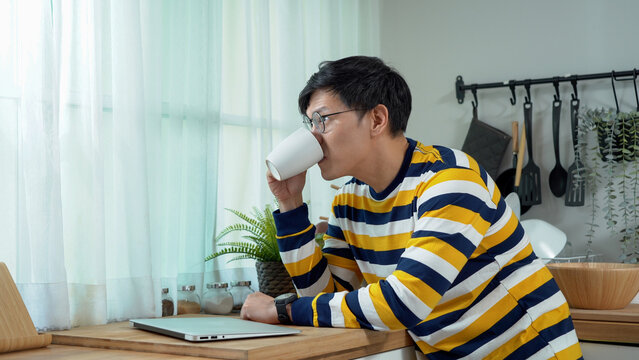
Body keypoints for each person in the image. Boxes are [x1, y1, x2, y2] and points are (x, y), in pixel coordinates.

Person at [240, 56, 582, 359]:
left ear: (376, 119)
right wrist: (290, 203)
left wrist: (281, 310)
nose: (314, 136)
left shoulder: (451, 181)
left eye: (323, 120)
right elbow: (324, 299)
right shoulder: (349, 201)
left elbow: (405, 301)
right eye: (309, 124)